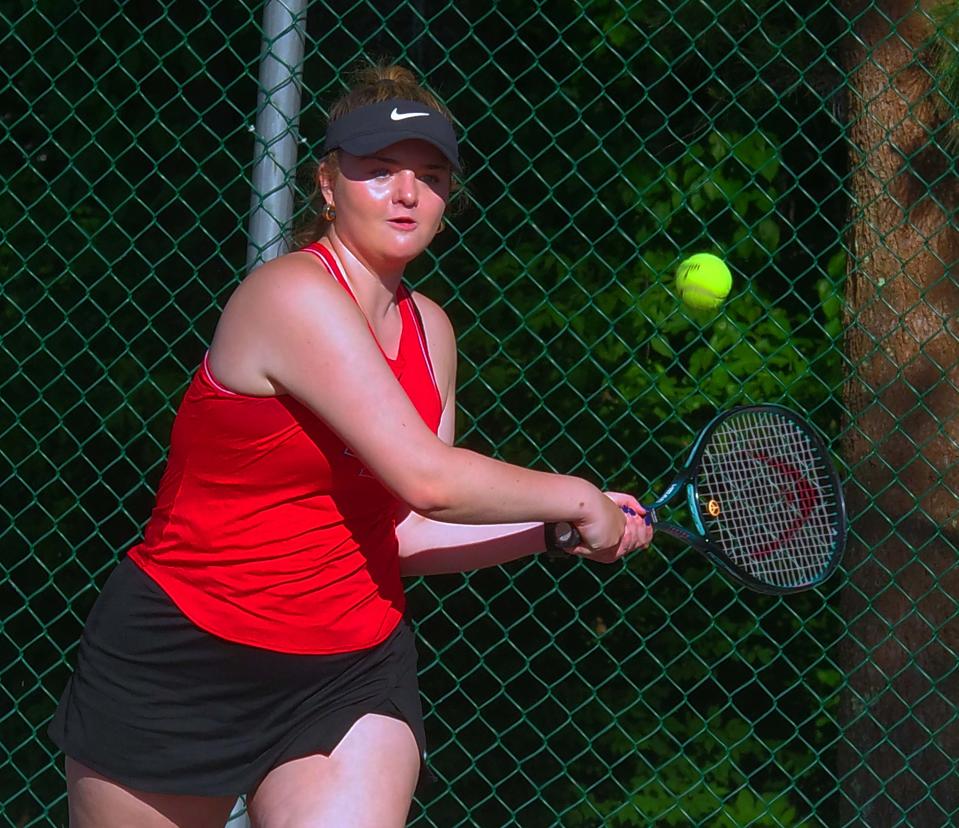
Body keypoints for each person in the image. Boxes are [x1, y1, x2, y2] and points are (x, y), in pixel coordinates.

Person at [48, 62, 653, 828]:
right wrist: (574, 496)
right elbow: (427, 477)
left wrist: (549, 532)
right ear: (328, 185)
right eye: (378, 172)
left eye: (429, 177)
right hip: (184, 657)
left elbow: (407, 524)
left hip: (347, 670)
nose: (406, 194)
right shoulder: (290, 295)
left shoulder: (430, 327)